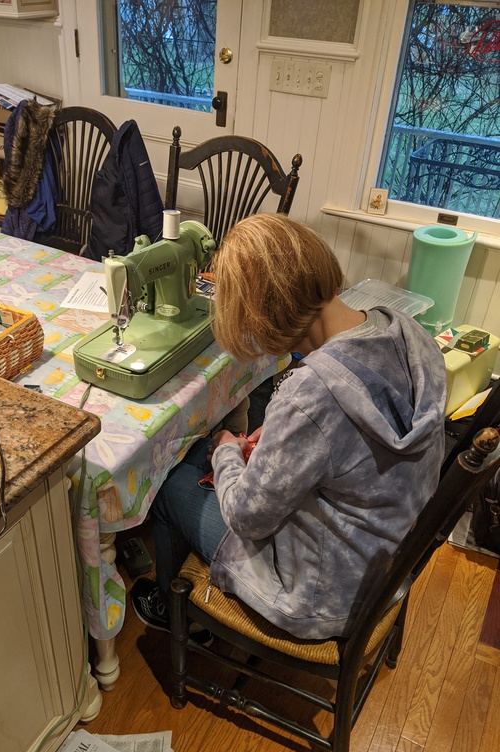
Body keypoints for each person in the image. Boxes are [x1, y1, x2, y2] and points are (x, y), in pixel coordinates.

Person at [131, 213, 447, 640]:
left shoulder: (312, 395)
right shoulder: (405, 330)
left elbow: (246, 516)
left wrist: (226, 448)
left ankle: (179, 620)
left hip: (321, 596)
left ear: (267, 319)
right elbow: (347, 442)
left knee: (170, 484)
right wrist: (284, 439)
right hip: (382, 554)